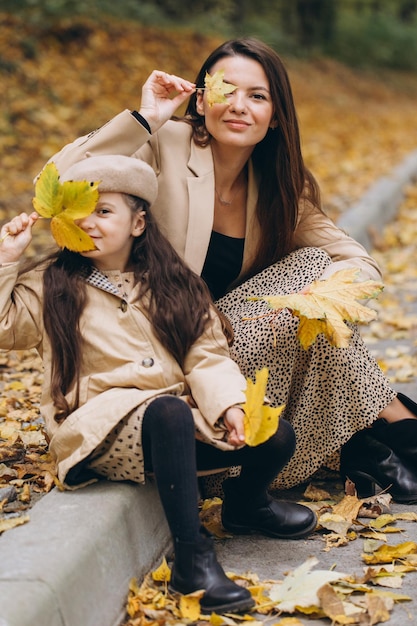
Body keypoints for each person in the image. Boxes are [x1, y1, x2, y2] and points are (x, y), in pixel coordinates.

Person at [42, 37, 417, 502]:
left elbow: (356, 261)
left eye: (257, 96)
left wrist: (317, 301)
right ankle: (388, 430)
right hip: (155, 357)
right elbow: (59, 186)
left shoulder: (276, 187)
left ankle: (365, 444)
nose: (239, 106)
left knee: (316, 272)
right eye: (225, 90)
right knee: (305, 297)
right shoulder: (164, 145)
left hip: (219, 355)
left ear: (276, 115)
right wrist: (146, 119)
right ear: (201, 100)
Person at [0, 155, 317, 615]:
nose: (87, 222)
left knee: (272, 430)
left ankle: (246, 504)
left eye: (103, 211)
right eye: (76, 213)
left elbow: (206, 357)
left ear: (138, 222)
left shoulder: (175, 285)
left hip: (170, 422)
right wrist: (6, 260)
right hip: (97, 427)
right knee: (167, 413)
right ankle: (193, 557)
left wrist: (229, 407)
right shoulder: (50, 286)